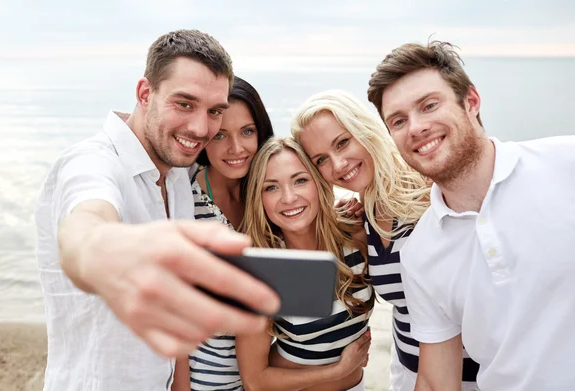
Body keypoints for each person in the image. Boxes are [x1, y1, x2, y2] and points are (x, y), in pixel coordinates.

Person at [34, 30, 280, 391]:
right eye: (184, 104)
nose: (200, 128)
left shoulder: (180, 172)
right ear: (145, 94)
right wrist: (108, 251)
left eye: (214, 111)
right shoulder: (91, 163)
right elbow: (84, 230)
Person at [366, 40, 575, 390]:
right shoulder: (420, 254)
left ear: (471, 102)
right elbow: (436, 380)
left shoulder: (565, 164)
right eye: (398, 121)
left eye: (429, 105)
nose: (415, 128)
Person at [291, 90, 479, 390]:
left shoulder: (430, 191)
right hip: (407, 371)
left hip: (474, 376)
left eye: (343, 142)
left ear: (365, 130)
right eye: (321, 159)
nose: (338, 165)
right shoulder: (362, 217)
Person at [235, 137, 374, 391]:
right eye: (271, 187)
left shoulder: (354, 237)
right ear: (259, 198)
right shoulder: (263, 272)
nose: (289, 198)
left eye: (300, 180)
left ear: (318, 182)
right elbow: (255, 381)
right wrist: (337, 370)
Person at [171, 75, 274, 391]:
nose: (236, 148)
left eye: (247, 131)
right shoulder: (185, 201)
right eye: (220, 136)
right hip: (208, 379)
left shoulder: (268, 191)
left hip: (269, 371)